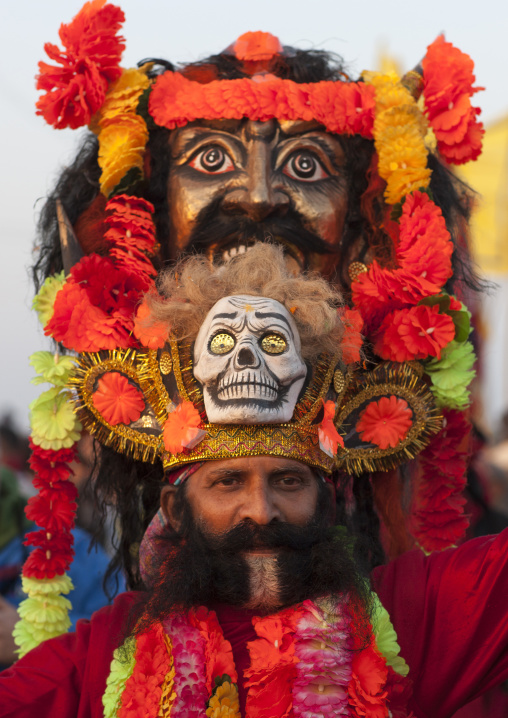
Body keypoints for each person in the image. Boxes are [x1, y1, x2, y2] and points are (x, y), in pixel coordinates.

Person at [0, 245, 507, 718]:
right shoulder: (110, 648)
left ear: (326, 499)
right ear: (175, 509)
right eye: (227, 483)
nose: (261, 511)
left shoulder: (405, 615)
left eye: (288, 481)